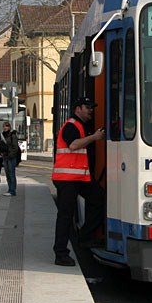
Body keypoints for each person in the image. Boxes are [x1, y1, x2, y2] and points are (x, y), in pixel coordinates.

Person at [53, 96, 105, 267]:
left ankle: (85, 237)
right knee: (65, 216)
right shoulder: (70, 126)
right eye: (87, 107)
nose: (91, 110)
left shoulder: (81, 126)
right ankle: (61, 254)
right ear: (77, 109)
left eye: (92, 107)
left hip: (79, 178)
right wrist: (94, 137)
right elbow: (73, 145)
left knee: (99, 198)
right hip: (67, 179)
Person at [0, 122, 20, 196]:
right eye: (4, 126)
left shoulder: (12, 135)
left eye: (6, 126)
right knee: (8, 174)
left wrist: (11, 155)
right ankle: (9, 189)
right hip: (5, 157)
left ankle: (12, 191)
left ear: (9, 127)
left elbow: (15, 147)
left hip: (11, 157)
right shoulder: (2, 135)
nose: (5, 128)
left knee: (11, 174)